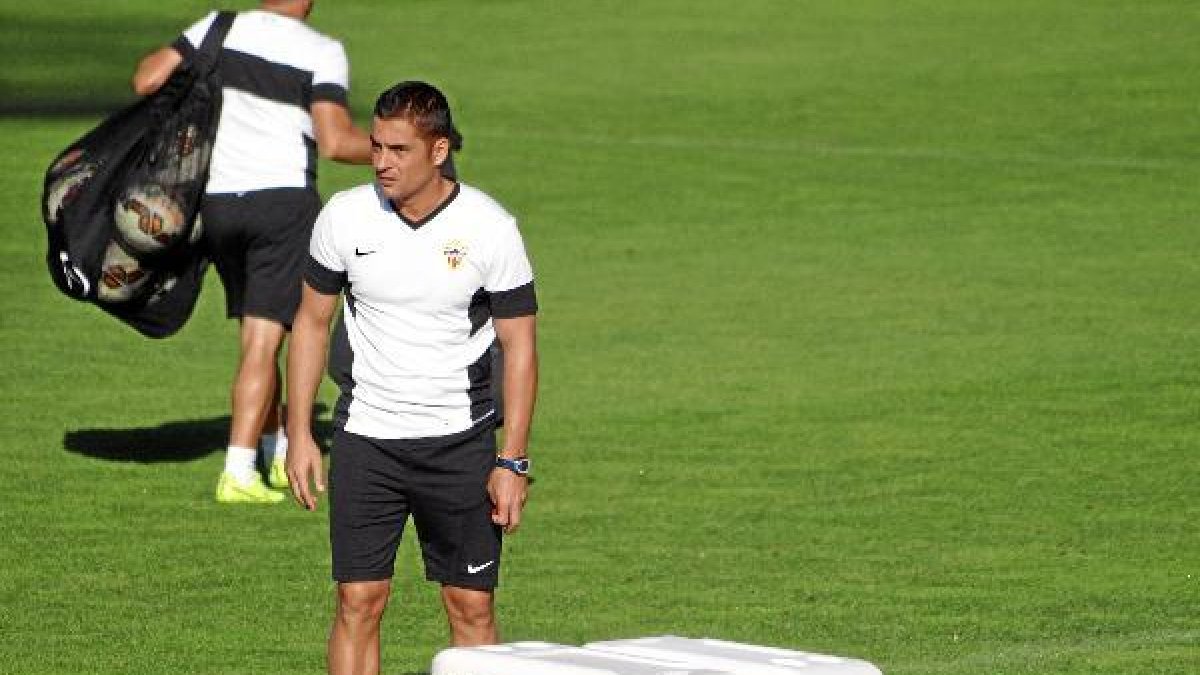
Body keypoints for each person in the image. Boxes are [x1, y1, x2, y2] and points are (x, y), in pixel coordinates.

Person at [285, 81, 538, 673]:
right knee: (358, 601)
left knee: (470, 606)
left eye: (398, 150)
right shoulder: (343, 218)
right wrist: (299, 431)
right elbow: (311, 324)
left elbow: (520, 346)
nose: (381, 162)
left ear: (439, 150)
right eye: (375, 146)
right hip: (367, 440)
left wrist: (513, 459)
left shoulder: (490, 227)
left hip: (460, 444)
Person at [130, 0, 372, 503]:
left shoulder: (219, 27)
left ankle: (276, 453)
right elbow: (334, 141)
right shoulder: (321, 50)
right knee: (264, 340)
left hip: (217, 205)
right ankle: (238, 470)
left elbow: (147, 79)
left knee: (262, 330)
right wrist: (407, 147)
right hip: (282, 203)